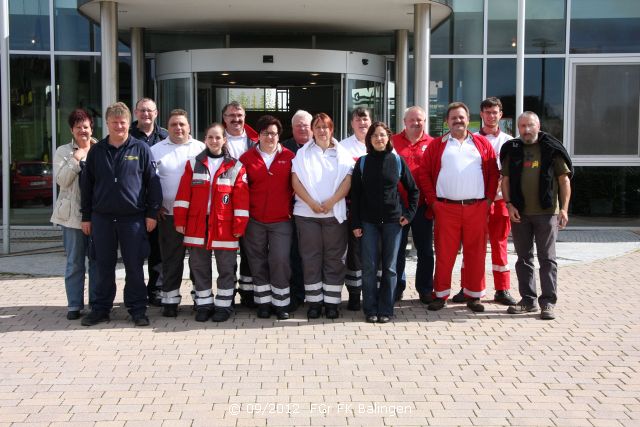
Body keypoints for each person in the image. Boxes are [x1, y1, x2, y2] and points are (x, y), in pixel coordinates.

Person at [80, 102, 162, 327]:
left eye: (122, 122)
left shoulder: (140, 149)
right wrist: (86, 216)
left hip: (133, 219)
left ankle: (137, 310)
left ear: (129, 123)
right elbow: (86, 187)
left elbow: (152, 184)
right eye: (114, 122)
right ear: (106, 123)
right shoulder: (97, 151)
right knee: (103, 266)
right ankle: (100, 309)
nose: (119, 126)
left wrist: (152, 213)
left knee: (134, 267)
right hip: (102, 219)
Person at [418, 102, 499, 313]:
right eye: (453, 117)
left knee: (476, 253)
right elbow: (424, 173)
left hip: (476, 207)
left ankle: (474, 295)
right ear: (447, 121)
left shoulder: (481, 144)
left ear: (469, 119)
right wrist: (433, 202)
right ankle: (441, 294)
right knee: (445, 254)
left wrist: (489, 200)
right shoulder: (437, 145)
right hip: (446, 208)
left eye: (462, 117)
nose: (458, 121)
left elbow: (493, 173)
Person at [173, 123, 250, 323]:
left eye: (218, 138)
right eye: (210, 137)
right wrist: (180, 220)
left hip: (224, 225)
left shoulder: (236, 166)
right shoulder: (193, 164)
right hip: (197, 224)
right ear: (205, 140)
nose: (214, 141)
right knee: (199, 266)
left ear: (225, 140)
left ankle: (224, 306)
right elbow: (183, 195)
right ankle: (204, 304)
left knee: (226, 267)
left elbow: (241, 200)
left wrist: (239, 225)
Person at [501, 111, 572, 320]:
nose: (526, 130)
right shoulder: (512, 150)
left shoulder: (551, 149)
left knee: (547, 258)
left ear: (538, 126)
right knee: (523, 259)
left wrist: (564, 209)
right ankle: (527, 300)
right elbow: (504, 180)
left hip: (547, 212)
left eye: (530, 125)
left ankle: (548, 302)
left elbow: (564, 181)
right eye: (522, 126)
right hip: (520, 213)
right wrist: (509, 204)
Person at [350, 122, 419, 324]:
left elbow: (413, 190)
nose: (379, 139)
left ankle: (386, 309)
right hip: (368, 222)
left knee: (390, 267)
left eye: (382, 135)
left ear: (388, 138)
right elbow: (355, 195)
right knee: (369, 267)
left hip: (393, 222)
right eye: (374, 136)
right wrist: (356, 223)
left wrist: (409, 215)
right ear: (369, 140)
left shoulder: (397, 161)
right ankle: (370, 308)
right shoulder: (362, 163)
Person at [453, 97, 517, 306]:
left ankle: (502, 289)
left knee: (499, 245)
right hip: (476, 202)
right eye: (487, 112)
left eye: (494, 112)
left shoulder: (509, 141)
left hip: (499, 202)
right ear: (481, 115)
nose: (491, 116)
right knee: (472, 246)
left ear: (500, 114)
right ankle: (468, 288)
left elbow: (511, 173)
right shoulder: (469, 139)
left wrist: (497, 191)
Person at [291, 113, 354, 319]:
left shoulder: (342, 153)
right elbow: (295, 180)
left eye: (325, 127)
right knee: (311, 258)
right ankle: (315, 302)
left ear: (331, 129)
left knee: (334, 258)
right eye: (317, 127)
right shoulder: (303, 154)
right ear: (312, 130)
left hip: (333, 214)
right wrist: (311, 203)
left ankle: (332, 302)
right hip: (307, 214)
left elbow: (347, 180)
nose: (321, 130)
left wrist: (331, 201)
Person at [150, 109, 205, 319]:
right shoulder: (156, 150)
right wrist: (155, 206)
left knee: (198, 261)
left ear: (189, 127)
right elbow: (149, 182)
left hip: (196, 216)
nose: (178, 128)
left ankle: (200, 299)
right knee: (171, 260)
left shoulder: (200, 148)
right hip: (169, 216)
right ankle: (170, 301)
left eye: (182, 124)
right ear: (167, 127)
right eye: (174, 124)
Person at [240, 115, 296, 320]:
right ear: (259, 135)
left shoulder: (290, 157)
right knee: (257, 260)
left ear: (279, 135)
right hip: (254, 220)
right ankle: (263, 302)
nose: (269, 137)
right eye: (265, 133)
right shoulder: (246, 159)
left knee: (280, 260)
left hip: (281, 219)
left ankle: (281, 303)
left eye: (273, 133)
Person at [50, 108, 97, 320]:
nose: (83, 131)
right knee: (75, 262)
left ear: (91, 127)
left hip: (97, 216)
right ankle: (74, 305)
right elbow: (62, 180)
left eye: (85, 126)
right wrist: (76, 158)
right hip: (72, 217)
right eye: (78, 127)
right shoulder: (63, 152)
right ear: (72, 130)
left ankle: (97, 303)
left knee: (97, 262)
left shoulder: (100, 148)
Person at [392, 106, 434, 304]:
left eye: (420, 120)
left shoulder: (433, 144)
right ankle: (397, 287)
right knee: (397, 250)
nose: (416, 123)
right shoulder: (393, 142)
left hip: (423, 206)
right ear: (404, 122)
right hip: (398, 207)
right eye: (413, 120)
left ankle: (425, 289)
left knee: (425, 250)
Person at [130, 98, 169, 306]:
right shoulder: (127, 137)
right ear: (136, 113)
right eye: (142, 110)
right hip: (134, 206)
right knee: (135, 253)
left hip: (158, 208)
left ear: (156, 113)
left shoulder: (164, 137)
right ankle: (135, 293)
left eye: (150, 111)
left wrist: (159, 204)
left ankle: (156, 289)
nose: (146, 114)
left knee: (157, 252)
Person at [222, 101, 258, 308]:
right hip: (223, 207)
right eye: (231, 115)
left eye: (239, 115)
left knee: (249, 252)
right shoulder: (216, 139)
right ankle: (227, 295)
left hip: (248, 206)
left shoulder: (255, 140)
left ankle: (247, 294)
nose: (236, 119)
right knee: (226, 255)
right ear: (224, 118)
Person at [339, 107, 372, 311]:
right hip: (353, 209)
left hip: (377, 211)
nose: (362, 123)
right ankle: (353, 294)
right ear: (352, 123)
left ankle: (372, 293)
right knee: (354, 254)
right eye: (358, 120)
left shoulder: (382, 142)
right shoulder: (343, 147)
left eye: (365, 119)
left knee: (374, 253)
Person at [281, 110, 313, 310]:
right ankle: (296, 294)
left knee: (311, 254)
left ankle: (315, 294)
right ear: (292, 128)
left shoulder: (320, 147)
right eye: (298, 125)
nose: (302, 128)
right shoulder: (283, 149)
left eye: (306, 125)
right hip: (289, 211)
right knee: (291, 254)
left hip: (315, 211)